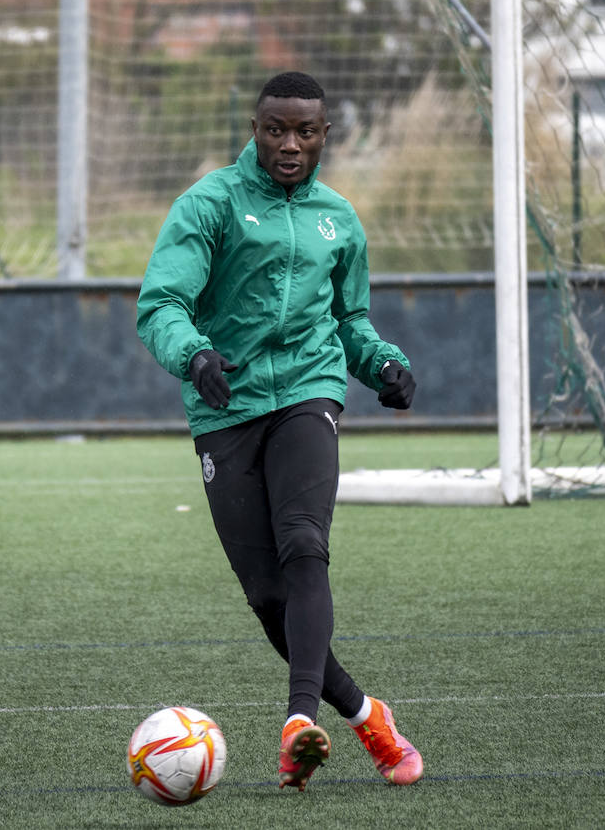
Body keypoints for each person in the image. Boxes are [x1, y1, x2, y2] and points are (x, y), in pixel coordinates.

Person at [135, 71, 422, 791]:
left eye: (305, 131)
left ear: (326, 134)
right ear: (255, 126)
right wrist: (193, 352)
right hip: (225, 407)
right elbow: (161, 302)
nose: (289, 144)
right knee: (267, 595)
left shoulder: (338, 219)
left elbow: (351, 323)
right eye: (275, 129)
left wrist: (383, 364)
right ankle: (365, 717)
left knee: (303, 543)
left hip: (308, 390)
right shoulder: (211, 204)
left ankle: (299, 721)